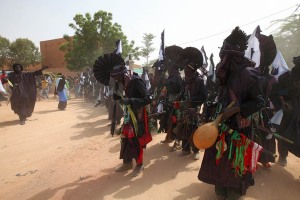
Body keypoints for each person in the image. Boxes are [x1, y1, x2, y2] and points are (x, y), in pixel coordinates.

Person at [198, 27, 267, 200]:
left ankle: (234, 192)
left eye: (224, 56)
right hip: (220, 128)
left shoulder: (249, 74)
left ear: (233, 57)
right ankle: (221, 189)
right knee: (220, 161)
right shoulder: (225, 76)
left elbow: (259, 102)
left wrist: (237, 110)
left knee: (234, 165)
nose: (221, 60)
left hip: (239, 130)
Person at [111, 63, 152, 177]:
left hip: (138, 116)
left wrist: (130, 101)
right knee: (125, 138)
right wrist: (119, 98)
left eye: (117, 77)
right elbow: (125, 99)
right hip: (129, 115)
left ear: (123, 74)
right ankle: (127, 162)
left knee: (136, 140)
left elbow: (147, 99)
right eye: (114, 78)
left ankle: (139, 165)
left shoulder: (137, 81)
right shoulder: (123, 83)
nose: (116, 80)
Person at [172, 47, 207, 160]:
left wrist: (192, 100)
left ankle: (196, 150)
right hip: (184, 109)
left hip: (194, 110)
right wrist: (178, 99)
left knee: (194, 129)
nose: (185, 72)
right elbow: (182, 92)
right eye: (185, 70)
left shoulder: (199, 81)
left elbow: (203, 96)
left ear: (192, 70)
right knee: (183, 128)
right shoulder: (184, 80)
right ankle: (185, 149)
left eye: (187, 70)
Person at [273, 55, 300, 166]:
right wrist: (290, 91)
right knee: (283, 133)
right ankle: (283, 156)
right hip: (288, 111)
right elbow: (277, 93)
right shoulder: (285, 77)